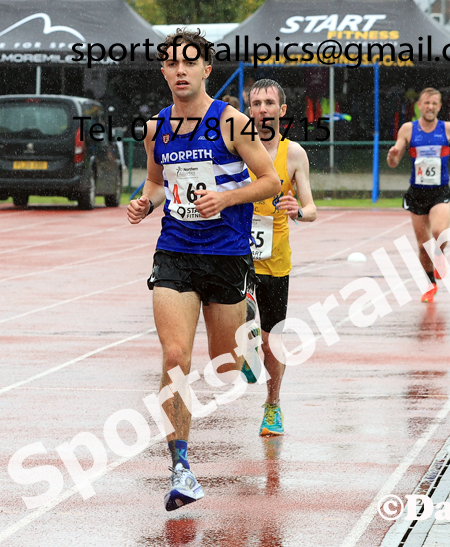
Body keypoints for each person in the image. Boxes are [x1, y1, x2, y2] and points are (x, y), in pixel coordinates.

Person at [126, 30, 281, 511]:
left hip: (227, 254)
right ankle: (181, 467)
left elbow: (271, 180)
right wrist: (144, 203)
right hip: (174, 250)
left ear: (206, 69)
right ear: (163, 71)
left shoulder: (232, 123)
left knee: (226, 364)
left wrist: (227, 198)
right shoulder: (157, 129)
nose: (179, 71)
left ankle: (247, 328)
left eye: (189, 63)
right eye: (171, 63)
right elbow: (156, 181)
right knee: (175, 355)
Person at [239, 78, 317, 436]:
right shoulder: (236, 149)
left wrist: (297, 210)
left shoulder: (295, 154)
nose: (263, 110)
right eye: (256, 104)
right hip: (237, 254)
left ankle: (272, 406)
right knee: (232, 320)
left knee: (273, 340)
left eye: (269, 103)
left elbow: (312, 208)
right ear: (249, 111)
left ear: (281, 111)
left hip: (276, 260)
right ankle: (246, 345)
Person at [387, 87, 450, 303]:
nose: (430, 107)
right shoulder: (407, 129)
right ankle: (431, 283)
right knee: (423, 246)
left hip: (439, 191)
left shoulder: (448, 129)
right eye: (426, 103)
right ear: (419, 106)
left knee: (440, 232)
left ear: (440, 107)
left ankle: (440, 255)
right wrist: (392, 156)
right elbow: (394, 162)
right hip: (416, 193)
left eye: (434, 103)